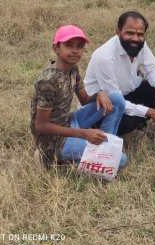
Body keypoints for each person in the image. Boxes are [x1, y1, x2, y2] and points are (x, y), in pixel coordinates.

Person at [30, 25, 127, 168]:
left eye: (80, 46)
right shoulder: (49, 81)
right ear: (56, 48)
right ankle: (50, 159)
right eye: (69, 45)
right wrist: (83, 134)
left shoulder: (72, 68)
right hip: (53, 140)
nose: (75, 50)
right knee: (121, 160)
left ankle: (105, 144)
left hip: (69, 122)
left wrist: (100, 93)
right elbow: (41, 126)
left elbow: (85, 100)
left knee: (116, 100)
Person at [83, 11, 155, 135]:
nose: (135, 39)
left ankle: (139, 122)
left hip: (125, 94)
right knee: (128, 122)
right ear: (118, 32)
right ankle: (99, 128)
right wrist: (151, 112)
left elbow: (152, 69)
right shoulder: (105, 57)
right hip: (101, 107)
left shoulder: (140, 45)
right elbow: (115, 100)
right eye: (130, 33)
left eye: (140, 34)